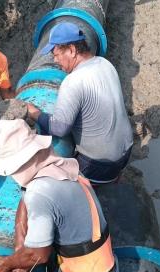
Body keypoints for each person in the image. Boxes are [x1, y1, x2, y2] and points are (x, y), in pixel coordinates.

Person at [0, 119, 120, 272]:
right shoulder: (61, 166)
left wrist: (7, 263)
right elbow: (24, 204)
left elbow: (39, 256)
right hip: (101, 271)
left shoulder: (40, 193)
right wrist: (20, 251)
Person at [27, 22, 133, 185]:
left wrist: (34, 112)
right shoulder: (105, 64)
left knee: (68, 187)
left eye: (56, 54)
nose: (55, 60)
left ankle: (96, 190)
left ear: (72, 50)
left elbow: (59, 128)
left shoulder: (74, 81)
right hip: (126, 151)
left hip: (100, 163)